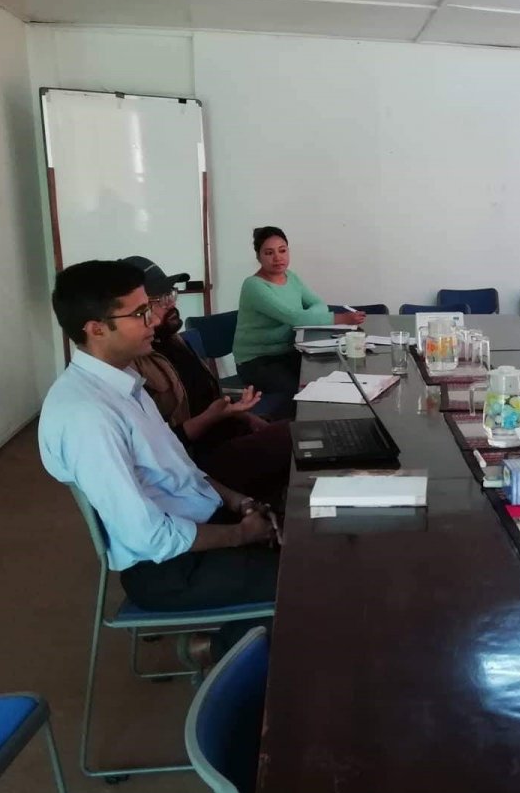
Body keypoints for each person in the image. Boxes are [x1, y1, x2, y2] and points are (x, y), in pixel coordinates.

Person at [39, 260, 279, 660]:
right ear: (95, 329)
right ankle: (224, 652)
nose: (153, 319)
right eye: (138, 313)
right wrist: (242, 534)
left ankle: (228, 642)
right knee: (307, 580)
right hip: (169, 569)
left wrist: (239, 502)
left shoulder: (125, 384)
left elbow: (182, 470)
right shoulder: (87, 416)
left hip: (198, 527)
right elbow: (149, 538)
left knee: (310, 543)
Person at [122, 256, 293, 505]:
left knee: (304, 433)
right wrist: (212, 417)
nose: (171, 305)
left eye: (171, 294)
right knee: (297, 437)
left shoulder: (175, 341)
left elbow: (211, 400)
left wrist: (245, 416)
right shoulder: (134, 366)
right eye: (159, 300)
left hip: (226, 432)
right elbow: (163, 447)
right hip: (197, 463)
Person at [232, 225, 366, 404]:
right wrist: (339, 318)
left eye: (282, 250)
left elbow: (319, 305)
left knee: (329, 374)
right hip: (257, 361)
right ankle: (289, 428)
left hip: (289, 351)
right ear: (258, 257)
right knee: (301, 393)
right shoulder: (253, 286)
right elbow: (294, 318)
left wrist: (304, 316)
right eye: (269, 253)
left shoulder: (291, 277)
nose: (278, 258)